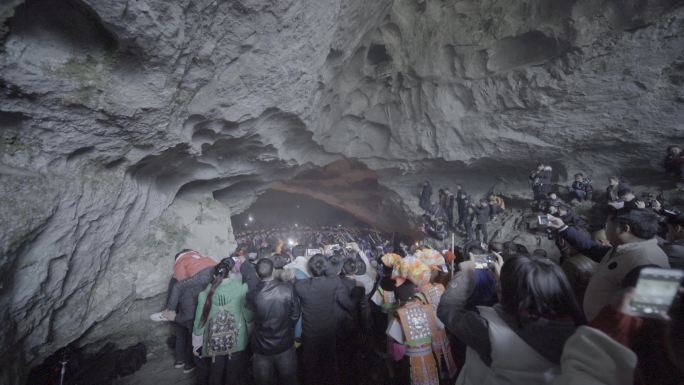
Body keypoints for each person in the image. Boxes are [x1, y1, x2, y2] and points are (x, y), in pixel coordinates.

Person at [437, 255, 585, 385]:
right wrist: (507, 283)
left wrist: (466, 273)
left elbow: (447, 310)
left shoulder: (487, 328)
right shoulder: (579, 333)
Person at [548, 208, 670, 321]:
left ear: (624, 229)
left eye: (607, 226)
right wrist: (563, 228)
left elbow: (647, 317)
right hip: (597, 325)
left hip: (609, 337)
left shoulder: (649, 260)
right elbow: (592, 248)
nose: (605, 229)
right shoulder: (625, 249)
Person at [151, 250, 216, 373]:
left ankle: (179, 361)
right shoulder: (194, 276)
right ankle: (189, 364)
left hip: (178, 310)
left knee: (181, 336)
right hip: (188, 311)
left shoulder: (176, 277)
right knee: (192, 338)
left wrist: (171, 310)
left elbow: (173, 292)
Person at [294, 254, 354, 385]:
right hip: (329, 331)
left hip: (310, 333)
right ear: (325, 267)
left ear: (309, 270)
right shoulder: (333, 282)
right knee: (330, 364)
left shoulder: (300, 286)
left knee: (311, 367)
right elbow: (333, 275)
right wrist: (324, 263)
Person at [192, 258, 252, 385]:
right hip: (237, 339)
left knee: (215, 373)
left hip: (213, 341)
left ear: (214, 275)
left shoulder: (205, 294)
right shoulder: (241, 289)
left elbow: (199, 322)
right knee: (234, 374)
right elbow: (248, 315)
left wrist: (196, 344)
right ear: (230, 273)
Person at [250, 258, 301, 385]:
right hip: (284, 343)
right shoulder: (287, 288)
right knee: (289, 380)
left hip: (261, 346)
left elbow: (251, 317)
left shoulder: (252, 294)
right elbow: (295, 314)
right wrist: (287, 327)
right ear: (273, 271)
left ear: (257, 274)